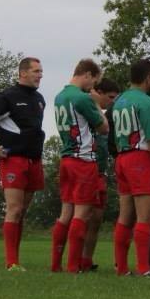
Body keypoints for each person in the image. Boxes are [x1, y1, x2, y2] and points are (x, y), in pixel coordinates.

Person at [0, 56, 46, 271]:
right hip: (13, 160)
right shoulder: (7, 97)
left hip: (35, 160)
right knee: (13, 208)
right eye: (36, 71)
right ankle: (11, 262)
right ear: (23, 73)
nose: (40, 75)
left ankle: (16, 259)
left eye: (41, 71)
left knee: (22, 210)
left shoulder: (40, 98)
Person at [111, 59, 150, 276]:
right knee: (145, 217)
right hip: (140, 158)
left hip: (122, 157)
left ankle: (121, 267)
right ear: (147, 78)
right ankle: (143, 267)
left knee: (125, 216)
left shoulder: (119, 100)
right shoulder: (145, 102)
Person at [51, 59, 108, 273]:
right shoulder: (82, 98)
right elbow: (103, 127)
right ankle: (73, 265)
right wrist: (95, 103)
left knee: (65, 213)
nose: (92, 87)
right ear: (87, 74)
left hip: (66, 158)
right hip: (83, 160)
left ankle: (56, 263)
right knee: (82, 214)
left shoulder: (59, 96)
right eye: (93, 81)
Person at [82, 77, 119, 271]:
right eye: (110, 97)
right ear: (98, 93)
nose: (112, 102)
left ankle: (87, 259)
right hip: (84, 167)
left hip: (100, 171)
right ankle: (74, 259)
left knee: (96, 218)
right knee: (81, 216)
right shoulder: (85, 107)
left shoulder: (107, 114)